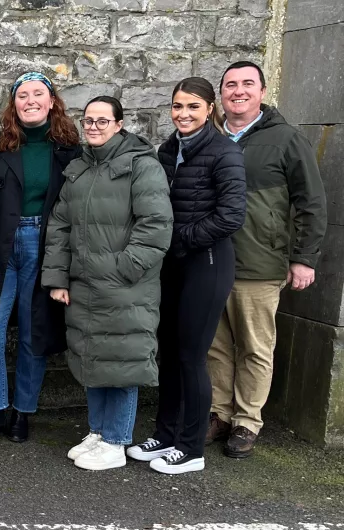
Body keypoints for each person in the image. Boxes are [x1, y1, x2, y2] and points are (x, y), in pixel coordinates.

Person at [43, 96, 173, 470]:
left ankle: (116, 441)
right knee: (93, 359)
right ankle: (98, 431)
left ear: (119, 124)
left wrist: (122, 269)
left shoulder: (142, 167)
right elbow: (59, 226)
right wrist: (57, 277)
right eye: (89, 121)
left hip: (124, 286)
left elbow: (156, 228)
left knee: (122, 363)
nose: (94, 127)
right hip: (84, 285)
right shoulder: (80, 168)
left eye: (103, 121)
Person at [126, 77, 246, 474]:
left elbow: (231, 215)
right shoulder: (168, 148)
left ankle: (191, 448)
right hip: (173, 263)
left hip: (207, 263)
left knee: (192, 357)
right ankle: (166, 434)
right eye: (178, 106)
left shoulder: (224, 152)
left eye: (193, 106)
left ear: (210, 109)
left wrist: (181, 238)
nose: (184, 114)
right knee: (169, 353)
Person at [206, 61, 326, 458]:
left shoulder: (286, 139)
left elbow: (311, 202)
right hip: (210, 261)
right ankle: (219, 412)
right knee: (216, 345)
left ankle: (247, 420)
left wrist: (304, 257)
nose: (237, 91)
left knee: (255, 346)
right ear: (221, 94)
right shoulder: (209, 136)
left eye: (247, 84)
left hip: (259, 261)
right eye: (230, 85)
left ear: (261, 90)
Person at [0, 72, 81, 444]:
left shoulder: (68, 149)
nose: (30, 100)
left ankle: (23, 413)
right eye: (22, 95)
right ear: (13, 103)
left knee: (35, 332)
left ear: (52, 102)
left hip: (44, 246)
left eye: (38, 94)